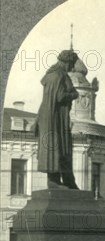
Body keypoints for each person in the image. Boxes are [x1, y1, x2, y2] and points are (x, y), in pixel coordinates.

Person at [35, 49, 80, 189]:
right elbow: (60, 96)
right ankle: (56, 182)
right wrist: (74, 94)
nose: (72, 68)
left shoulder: (50, 75)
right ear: (67, 62)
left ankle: (63, 181)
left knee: (56, 148)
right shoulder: (60, 75)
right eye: (71, 64)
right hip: (56, 119)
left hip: (48, 118)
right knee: (60, 147)